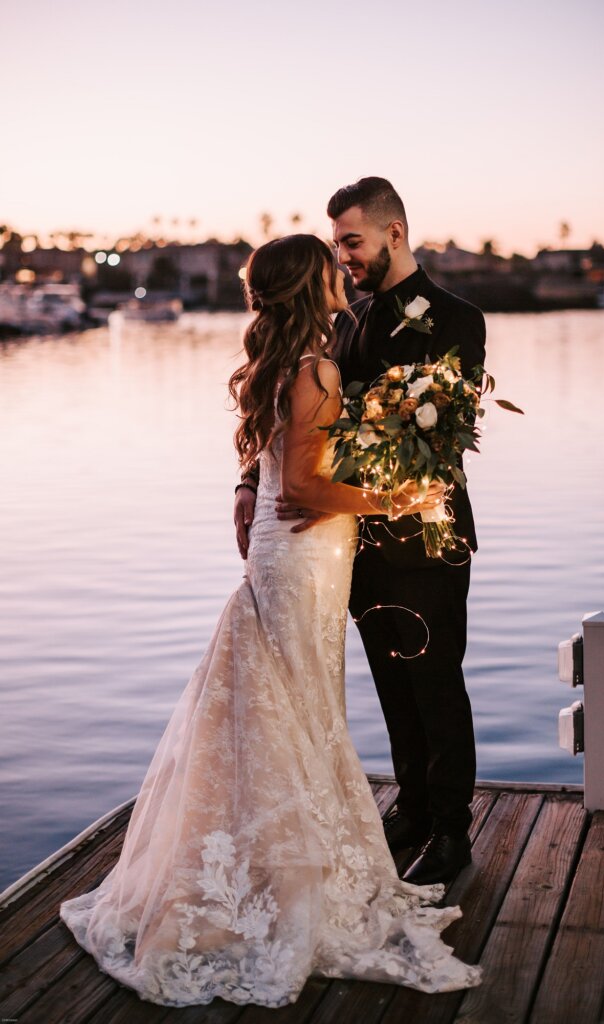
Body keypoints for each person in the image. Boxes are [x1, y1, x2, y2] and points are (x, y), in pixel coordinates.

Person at [60, 234, 481, 1008]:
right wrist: (405, 499)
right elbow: (314, 490)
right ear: (313, 284)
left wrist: (265, 484)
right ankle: (292, 871)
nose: (342, 272)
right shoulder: (317, 365)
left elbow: (281, 463)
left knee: (281, 705)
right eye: (332, 262)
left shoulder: (280, 362)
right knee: (301, 703)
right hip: (308, 551)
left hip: (283, 554)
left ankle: (278, 857)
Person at [241, 179, 486, 886]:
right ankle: (409, 807)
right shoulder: (338, 323)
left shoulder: (454, 319)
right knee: (389, 682)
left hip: (425, 537)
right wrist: (252, 483)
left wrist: (350, 493)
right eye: (338, 244)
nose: (342, 256)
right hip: (345, 544)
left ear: (394, 234)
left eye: (352, 241)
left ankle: (450, 831)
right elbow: (296, 421)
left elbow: (439, 442)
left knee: (436, 683)